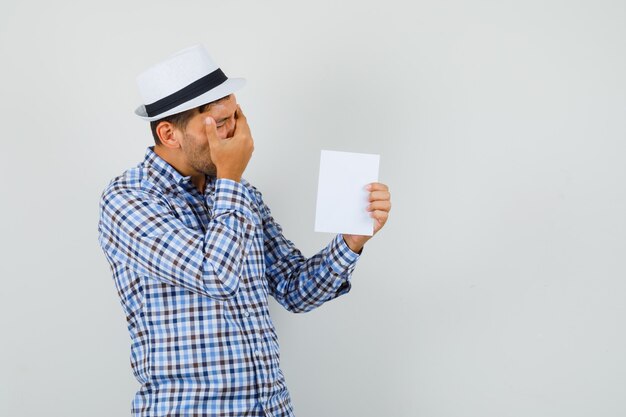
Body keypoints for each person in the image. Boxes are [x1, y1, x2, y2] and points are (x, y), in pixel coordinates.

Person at [98, 44, 392, 417]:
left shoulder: (241, 195)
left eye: (235, 115)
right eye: (220, 124)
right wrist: (232, 180)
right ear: (170, 134)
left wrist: (351, 241)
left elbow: (294, 289)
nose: (235, 133)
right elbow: (215, 276)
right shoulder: (129, 199)